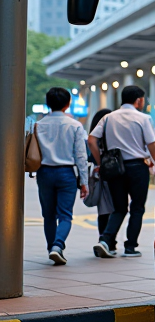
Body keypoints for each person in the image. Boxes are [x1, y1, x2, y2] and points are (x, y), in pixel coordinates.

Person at [89, 86, 155, 258]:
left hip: (115, 168)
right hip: (137, 167)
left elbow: (91, 140)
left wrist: (101, 162)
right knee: (137, 207)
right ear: (138, 100)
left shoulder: (108, 117)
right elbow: (151, 144)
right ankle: (130, 247)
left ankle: (105, 240)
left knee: (119, 208)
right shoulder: (143, 118)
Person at [33, 87, 89, 265]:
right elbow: (81, 155)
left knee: (48, 215)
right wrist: (84, 181)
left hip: (44, 172)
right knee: (65, 215)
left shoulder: (38, 125)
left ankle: (52, 248)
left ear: (48, 103)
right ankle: (58, 246)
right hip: (66, 173)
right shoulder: (75, 125)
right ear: (68, 104)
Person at [87, 107, 114, 238]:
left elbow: (89, 157)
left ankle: (103, 237)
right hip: (111, 174)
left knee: (103, 210)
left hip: (99, 176)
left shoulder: (94, 138)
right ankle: (106, 240)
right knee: (113, 209)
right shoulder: (108, 137)